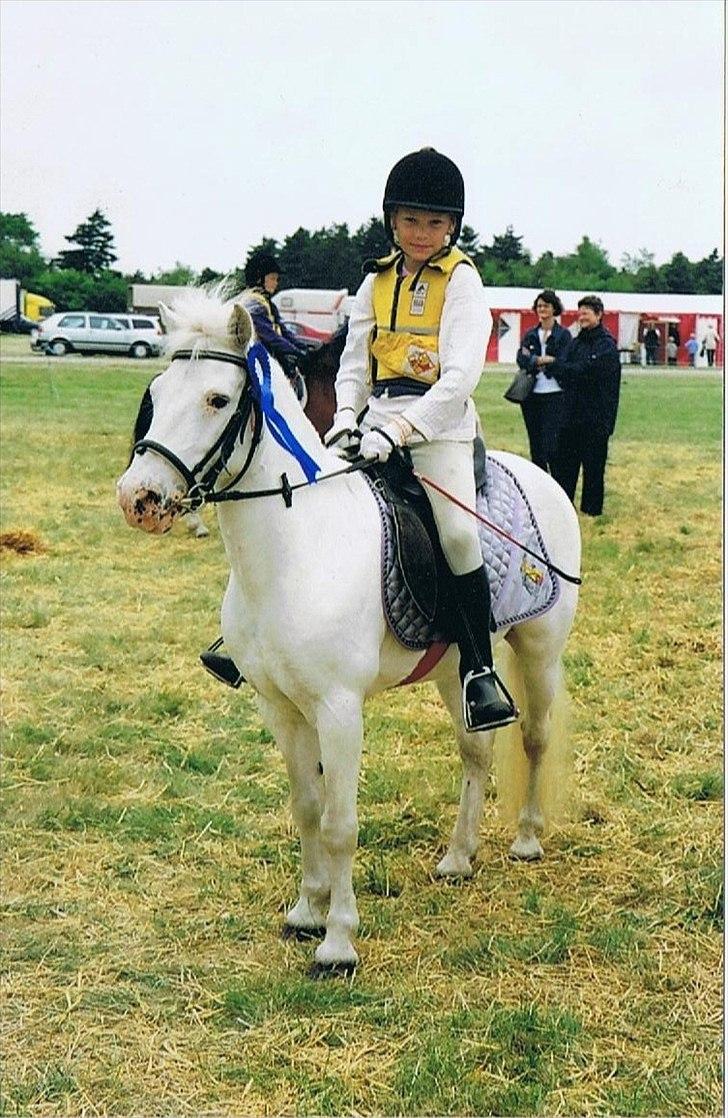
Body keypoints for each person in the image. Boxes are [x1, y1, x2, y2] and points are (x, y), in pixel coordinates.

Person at [323, 148, 517, 732]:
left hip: (440, 429)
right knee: (307, 494)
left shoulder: (462, 281)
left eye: (434, 223)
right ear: (392, 221)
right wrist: (346, 420)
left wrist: (403, 430)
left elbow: (460, 377)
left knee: (458, 533)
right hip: (375, 417)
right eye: (411, 221)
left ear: (452, 226)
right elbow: (354, 362)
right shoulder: (374, 280)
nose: (422, 233)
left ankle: (479, 672)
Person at [552, 295, 621, 517]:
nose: (581, 317)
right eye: (579, 313)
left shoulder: (606, 346)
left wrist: (571, 370)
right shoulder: (575, 343)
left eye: (586, 313)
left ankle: (592, 510)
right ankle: (563, 508)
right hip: (570, 415)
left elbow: (589, 372)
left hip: (595, 418)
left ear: (599, 315)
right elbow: (562, 370)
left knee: (593, 468)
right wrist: (571, 370)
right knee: (565, 467)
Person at [515, 290, 572, 474]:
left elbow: (564, 360)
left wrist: (546, 361)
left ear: (554, 308)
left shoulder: (563, 335)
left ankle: (555, 482)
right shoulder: (530, 333)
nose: (542, 309)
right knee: (536, 444)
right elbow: (522, 358)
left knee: (552, 445)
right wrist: (540, 360)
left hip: (555, 394)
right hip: (532, 394)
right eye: (539, 306)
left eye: (546, 306)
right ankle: (538, 482)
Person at [242, 251, 309, 398]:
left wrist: (303, 346)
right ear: (259, 279)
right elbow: (271, 337)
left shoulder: (267, 302)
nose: (276, 283)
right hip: (258, 359)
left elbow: (283, 331)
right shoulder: (253, 303)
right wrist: (296, 352)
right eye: (272, 278)